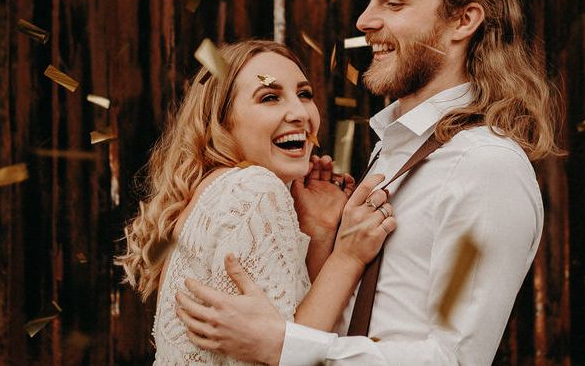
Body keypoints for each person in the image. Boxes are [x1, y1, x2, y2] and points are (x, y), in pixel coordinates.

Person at [176, 0, 560, 365]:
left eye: (393, 4)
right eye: (370, 0)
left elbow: (456, 359)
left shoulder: (485, 166)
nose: (365, 20)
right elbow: (362, 318)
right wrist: (324, 240)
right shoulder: (394, 147)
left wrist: (282, 346)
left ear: (463, 20)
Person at [117, 39, 398, 364]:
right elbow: (284, 356)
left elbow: (284, 334)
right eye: (270, 97)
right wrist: (348, 256)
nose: (299, 113)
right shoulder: (252, 189)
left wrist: (319, 233)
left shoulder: (214, 192)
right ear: (221, 121)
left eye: (304, 94)